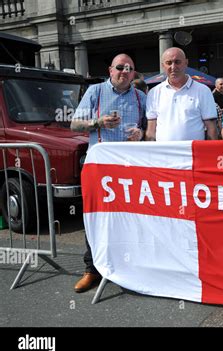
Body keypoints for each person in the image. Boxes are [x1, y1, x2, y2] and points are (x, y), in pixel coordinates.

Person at [70, 53, 147, 293]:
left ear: (134, 73)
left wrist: (142, 134)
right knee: (96, 216)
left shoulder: (141, 96)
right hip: (100, 166)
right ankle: (91, 269)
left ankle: (127, 266)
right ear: (110, 70)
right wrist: (98, 123)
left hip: (129, 166)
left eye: (130, 68)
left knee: (129, 217)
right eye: (120, 67)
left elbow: (148, 126)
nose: (125, 71)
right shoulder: (95, 91)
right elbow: (74, 124)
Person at [145, 47, 218, 141]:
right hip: (163, 154)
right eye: (169, 63)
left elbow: (211, 129)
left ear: (186, 63)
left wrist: (209, 154)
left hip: (192, 154)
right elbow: (151, 130)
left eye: (177, 62)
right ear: (163, 65)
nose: (173, 67)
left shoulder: (203, 90)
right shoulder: (154, 93)